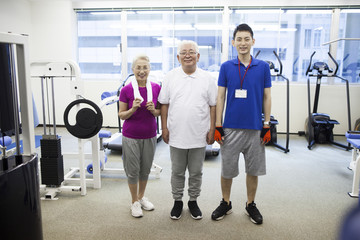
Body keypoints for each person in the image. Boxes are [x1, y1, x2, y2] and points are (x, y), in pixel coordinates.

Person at [211, 23, 272, 225]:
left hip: (255, 129)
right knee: (227, 170)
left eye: (247, 39)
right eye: (239, 39)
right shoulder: (226, 67)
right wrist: (218, 126)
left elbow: (267, 97)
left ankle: (250, 204)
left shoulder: (262, 67)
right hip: (230, 128)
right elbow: (220, 97)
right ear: (233, 42)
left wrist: (266, 124)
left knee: (253, 170)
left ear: (253, 41)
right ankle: (226, 202)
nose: (243, 43)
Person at [158, 40, 217, 220]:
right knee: (177, 171)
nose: (187, 55)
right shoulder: (170, 76)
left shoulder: (207, 78)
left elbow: (213, 106)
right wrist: (164, 128)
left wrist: (212, 129)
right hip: (176, 133)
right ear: (178, 57)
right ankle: (177, 201)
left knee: (196, 171)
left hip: (199, 134)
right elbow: (164, 104)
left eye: (191, 52)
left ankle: (193, 200)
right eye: (183, 52)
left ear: (198, 56)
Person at [118, 54, 161, 218]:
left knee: (145, 169)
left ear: (149, 69)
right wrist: (133, 109)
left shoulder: (156, 87)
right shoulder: (126, 90)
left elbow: (159, 111)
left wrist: (153, 111)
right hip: (131, 136)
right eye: (138, 67)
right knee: (133, 170)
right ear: (133, 69)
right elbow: (122, 115)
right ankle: (134, 202)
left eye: (145, 68)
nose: (142, 71)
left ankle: (141, 197)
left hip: (150, 135)